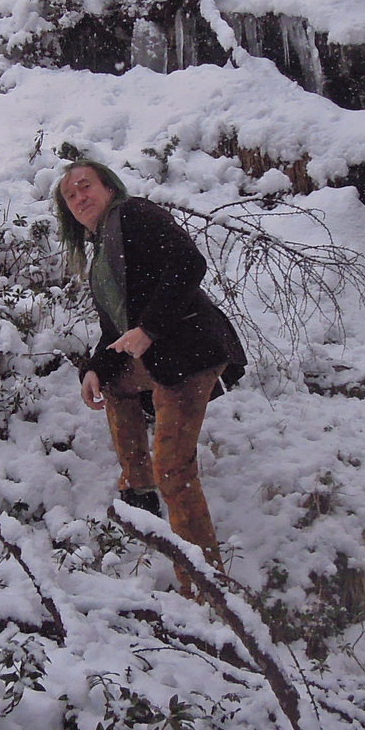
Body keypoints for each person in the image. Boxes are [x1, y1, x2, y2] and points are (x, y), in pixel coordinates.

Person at [53, 159, 247, 575]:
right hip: (163, 357)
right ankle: (140, 493)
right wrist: (95, 369)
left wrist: (149, 329)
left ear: (109, 188)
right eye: (70, 196)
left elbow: (189, 263)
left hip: (189, 351)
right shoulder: (103, 251)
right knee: (115, 384)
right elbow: (115, 330)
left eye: (85, 186)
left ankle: (204, 583)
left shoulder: (134, 214)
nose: (79, 197)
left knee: (174, 470)